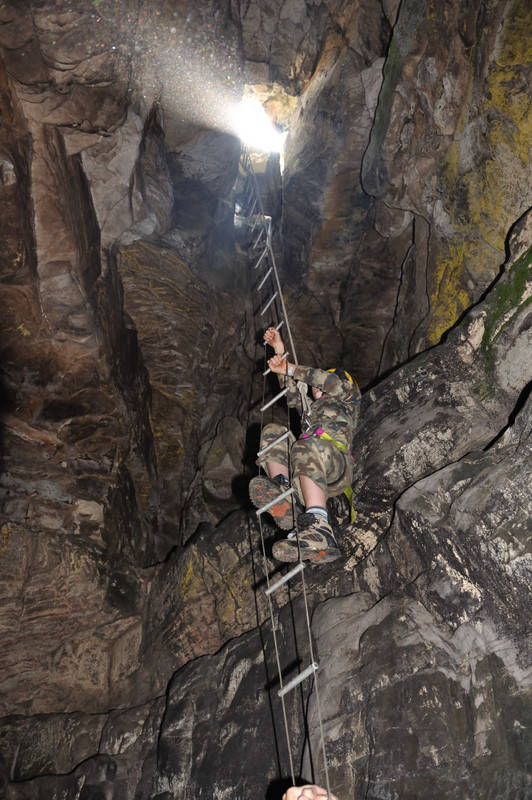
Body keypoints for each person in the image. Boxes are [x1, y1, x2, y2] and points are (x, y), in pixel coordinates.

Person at [250, 326, 361, 563]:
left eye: (319, 385)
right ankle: (283, 492)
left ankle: (320, 528)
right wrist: (279, 349)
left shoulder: (347, 397)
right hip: (308, 468)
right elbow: (291, 391)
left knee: (305, 445)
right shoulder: (311, 413)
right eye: (314, 387)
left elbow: (327, 379)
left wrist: (291, 368)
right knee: (274, 433)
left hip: (336, 466)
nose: (315, 388)